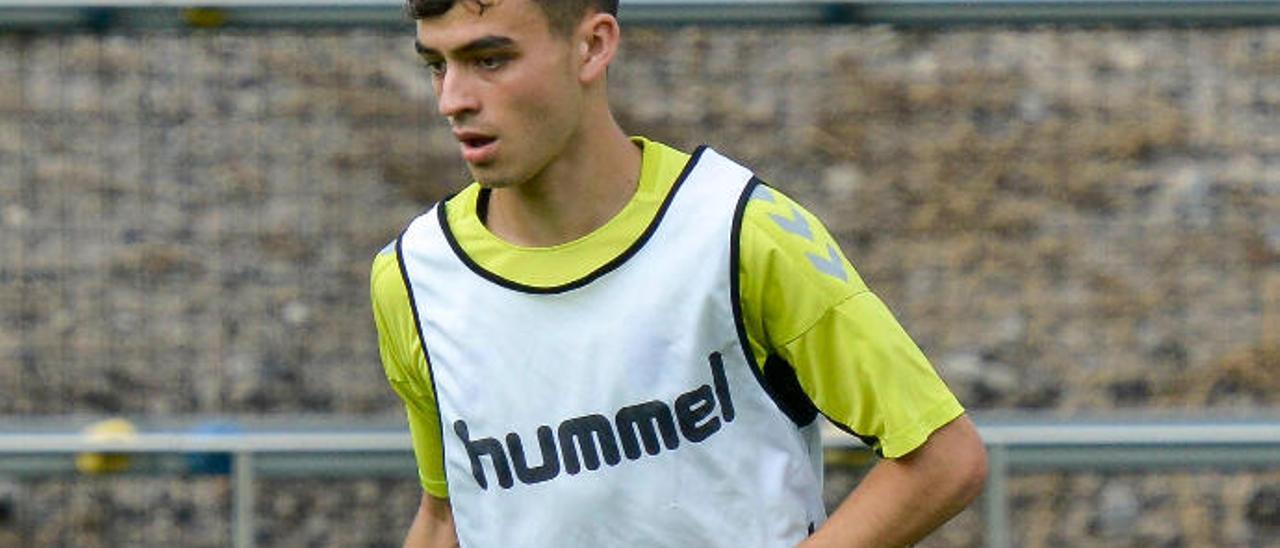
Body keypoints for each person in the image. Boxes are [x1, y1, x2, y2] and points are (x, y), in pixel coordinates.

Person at [370, 0, 988, 546]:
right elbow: (451, 515)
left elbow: (942, 457)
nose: (453, 99)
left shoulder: (737, 230)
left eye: (490, 60)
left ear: (593, 46)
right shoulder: (413, 277)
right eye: (437, 65)